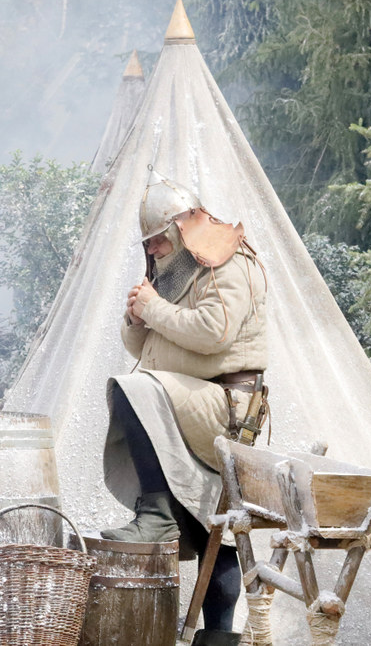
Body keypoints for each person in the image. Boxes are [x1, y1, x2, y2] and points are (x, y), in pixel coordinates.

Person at [100, 171, 267, 646]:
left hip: (226, 408)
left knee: (134, 389)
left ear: (177, 228)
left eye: (156, 239)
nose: (152, 250)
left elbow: (214, 332)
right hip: (192, 402)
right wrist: (137, 314)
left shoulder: (227, 261)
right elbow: (147, 341)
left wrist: (151, 309)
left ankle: (155, 513)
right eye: (148, 243)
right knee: (213, 526)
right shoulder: (177, 267)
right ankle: (216, 638)